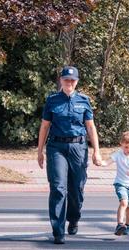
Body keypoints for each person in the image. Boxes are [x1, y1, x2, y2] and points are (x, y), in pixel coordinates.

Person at [37, 65, 102, 244]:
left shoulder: (84, 100)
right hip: (56, 147)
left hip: (78, 148)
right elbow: (44, 126)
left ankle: (73, 218)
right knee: (58, 188)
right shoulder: (52, 100)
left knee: (77, 189)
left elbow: (90, 126)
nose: (69, 83)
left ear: (77, 82)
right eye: (66, 79)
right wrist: (39, 151)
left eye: (73, 80)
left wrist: (96, 150)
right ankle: (58, 231)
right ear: (61, 80)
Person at [102, 131, 129, 236]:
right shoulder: (118, 154)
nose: (128, 150)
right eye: (126, 147)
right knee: (124, 202)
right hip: (120, 183)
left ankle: (128, 225)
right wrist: (101, 163)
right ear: (121, 144)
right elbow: (108, 161)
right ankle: (119, 224)